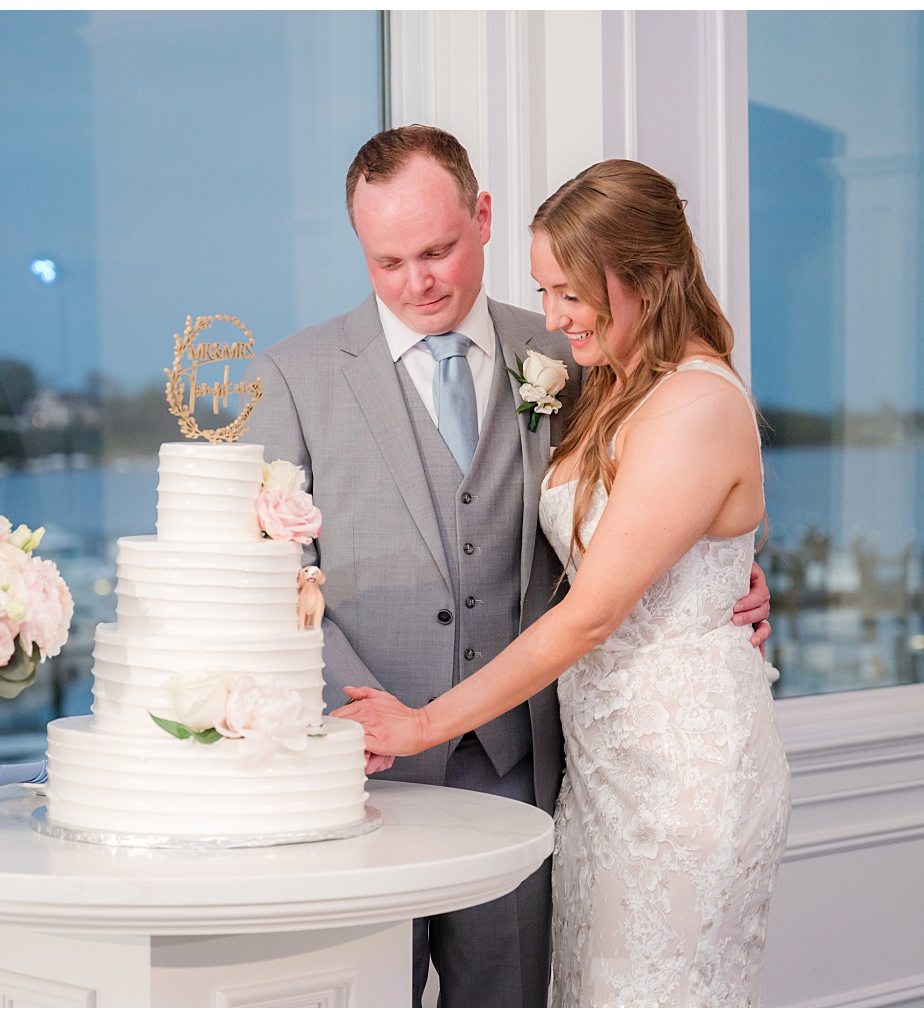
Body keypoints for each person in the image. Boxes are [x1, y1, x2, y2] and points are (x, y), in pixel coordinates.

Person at [244, 127, 773, 1008]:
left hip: (537, 773)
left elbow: (686, 499)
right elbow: (274, 579)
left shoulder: (576, 351)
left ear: (482, 217)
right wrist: (370, 725)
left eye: (439, 249)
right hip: (369, 767)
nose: (420, 281)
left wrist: (737, 581)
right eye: (389, 261)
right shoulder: (294, 377)